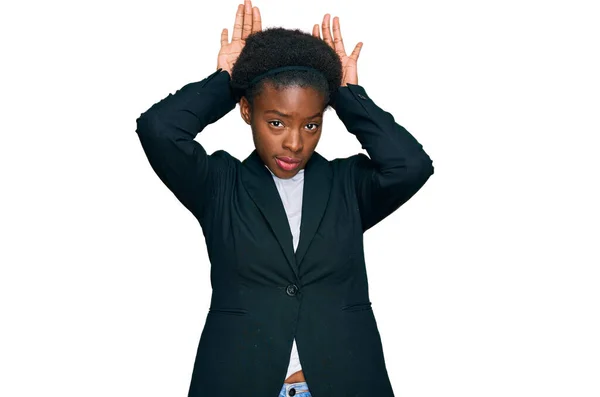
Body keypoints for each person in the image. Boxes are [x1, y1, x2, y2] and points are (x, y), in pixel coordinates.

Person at [135, 1, 434, 395]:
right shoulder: (219, 185)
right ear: (246, 111)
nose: (294, 142)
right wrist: (227, 80)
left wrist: (345, 94)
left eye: (311, 124)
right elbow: (158, 129)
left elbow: (411, 165)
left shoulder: (348, 185)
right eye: (276, 122)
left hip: (345, 383)